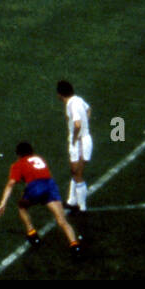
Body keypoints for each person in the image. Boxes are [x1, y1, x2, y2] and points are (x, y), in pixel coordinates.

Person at [0, 141, 82, 256]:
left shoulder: (18, 164)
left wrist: (2, 203)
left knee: (22, 206)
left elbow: (11, 184)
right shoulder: (39, 159)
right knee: (62, 220)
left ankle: (32, 233)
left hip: (36, 187)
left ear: (18, 154)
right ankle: (74, 245)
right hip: (50, 185)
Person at [56, 80, 92, 214]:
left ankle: (81, 207)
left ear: (60, 94)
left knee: (77, 174)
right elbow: (88, 109)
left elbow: (77, 124)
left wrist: (75, 137)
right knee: (74, 172)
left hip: (80, 142)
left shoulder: (71, 105)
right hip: (84, 140)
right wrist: (85, 123)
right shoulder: (78, 99)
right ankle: (72, 201)